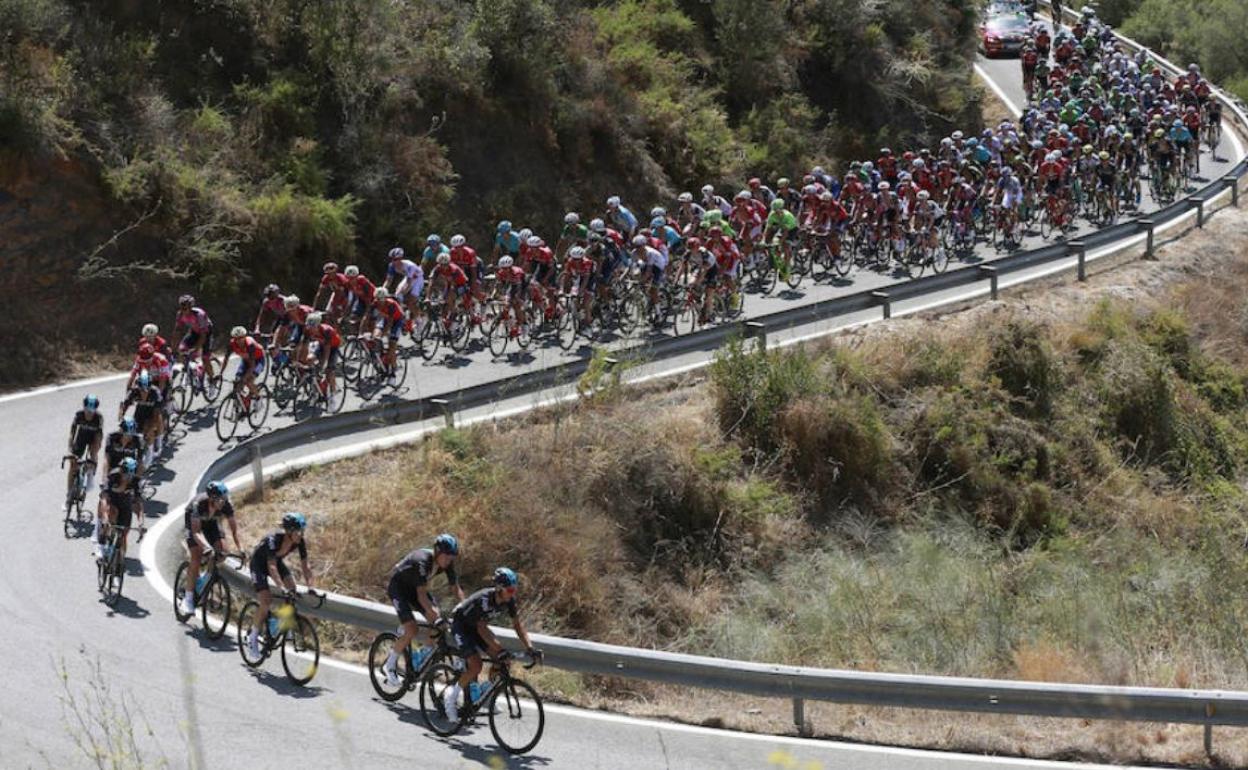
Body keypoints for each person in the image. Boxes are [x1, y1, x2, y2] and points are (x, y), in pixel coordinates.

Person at [444, 567, 540, 723]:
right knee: (476, 665)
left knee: (503, 661)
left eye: (514, 590)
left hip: (475, 627)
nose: (512, 593)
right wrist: (501, 649)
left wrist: (530, 647)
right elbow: (482, 629)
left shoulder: (509, 600)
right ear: (499, 589)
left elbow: (517, 625)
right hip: (461, 625)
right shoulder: (485, 600)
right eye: (509, 590)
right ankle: (451, 696)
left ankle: (486, 695)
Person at [381, 534, 464, 687]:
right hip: (399, 588)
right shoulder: (422, 561)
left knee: (436, 617)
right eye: (446, 556)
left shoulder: (447, 563)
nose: (448, 560)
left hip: (415, 588)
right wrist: (435, 617)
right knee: (412, 629)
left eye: (452, 557)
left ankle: (423, 657)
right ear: (437, 552)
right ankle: (389, 665)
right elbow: (421, 596)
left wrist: (464, 607)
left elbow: (455, 588)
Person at [246, 512, 315, 659]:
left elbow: (305, 566)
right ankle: (252, 637)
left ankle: (278, 623)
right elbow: (271, 566)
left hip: (276, 562)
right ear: (289, 531)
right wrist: (280, 587)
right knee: (265, 601)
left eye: (303, 531)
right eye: (298, 531)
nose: (301, 534)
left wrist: (311, 587)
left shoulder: (299, 541)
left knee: (293, 589)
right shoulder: (273, 540)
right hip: (259, 564)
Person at [179, 481, 242, 616]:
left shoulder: (226, 505)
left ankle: (203, 579)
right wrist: (207, 547)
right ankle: (188, 598)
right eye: (220, 499)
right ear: (212, 498)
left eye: (225, 498)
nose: (223, 502)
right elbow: (196, 532)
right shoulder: (198, 504)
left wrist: (240, 549)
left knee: (223, 552)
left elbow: (234, 530)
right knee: (196, 556)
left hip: (212, 523)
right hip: (195, 524)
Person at [96, 456, 143, 561]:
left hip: (125, 507)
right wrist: (105, 517)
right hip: (112, 503)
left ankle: (119, 564)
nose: (128, 476)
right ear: (121, 470)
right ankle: (102, 544)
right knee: (112, 514)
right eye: (125, 472)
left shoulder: (135, 481)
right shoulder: (113, 476)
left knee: (123, 536)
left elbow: (139, 504)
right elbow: (104, 498)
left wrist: (140, 523)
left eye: (131, 473)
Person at [66, 395, 104, 509]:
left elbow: (99, 436)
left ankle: (91, 475)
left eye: (91, 411)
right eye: (87, 410)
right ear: (84, 407)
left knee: (93, 452)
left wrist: (95, 451)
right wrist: (70, 448)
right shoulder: (79, 415)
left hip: (93, 439)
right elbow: (72, 433)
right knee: (73, 465)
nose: (89, 413)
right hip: (81, 439)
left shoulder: (98, 418)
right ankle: (69, 496)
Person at [119, 370, 164, 467]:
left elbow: (156, 416)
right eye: (141, 389)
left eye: (146, 389)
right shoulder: (134, 391)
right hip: (140, 413)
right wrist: (121, 416)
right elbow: (124, 405)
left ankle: (156, 448)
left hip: (153, 413)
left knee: (151, 429)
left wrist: (151, 429)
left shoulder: (155, 392)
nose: (143, 392)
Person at [297, 312, 342, 399]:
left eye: (313, 327)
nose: (311, 329)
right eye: (309, 327)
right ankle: (316, 381)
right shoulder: (307, 330)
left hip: (333, 346)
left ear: (318, 325)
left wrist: (323, 365)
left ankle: (333, 391)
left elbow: (327, 350)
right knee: (309, 359)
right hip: (321, 344)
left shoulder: (326, 331)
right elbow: (304, 346)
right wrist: (300, 361)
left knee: (329, 370)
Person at [172, 295, 216, 379]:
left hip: (206, 333)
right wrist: (174, 348)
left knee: (205, 358)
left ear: (191, 307)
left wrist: (196, 349)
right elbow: (177, 331)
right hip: (194, 332)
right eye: (181, 307)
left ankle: (211, 379)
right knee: (182, 350)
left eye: (185, 308)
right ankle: (193, 367)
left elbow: (203, 335)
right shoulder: (180, 314)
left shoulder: (199, 314)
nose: (183, 310)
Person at [221, 326, 265, 406]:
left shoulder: (250, 344)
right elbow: (225, 359)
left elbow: (252, 366)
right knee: (237, 380)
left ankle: (258, 397)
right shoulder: (232, 344)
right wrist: (220, 374)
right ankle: (242, 404)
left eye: (241, 338)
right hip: (245, 361)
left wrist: (244, 379)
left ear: (245, 337)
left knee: (248, 381)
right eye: (236, 338)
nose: (238, 340)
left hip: (258, 361)